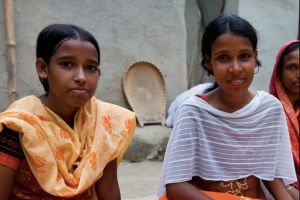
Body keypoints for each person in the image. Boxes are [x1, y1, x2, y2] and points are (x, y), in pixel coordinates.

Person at [158, 13, 297, 200]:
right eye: (224, 58)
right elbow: (175, 186)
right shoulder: (193, 112)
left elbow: (271, 177)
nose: (236, 68)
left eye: (244, 56)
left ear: (255, 57)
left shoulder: (269, 108)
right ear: (208, 61)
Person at [0, 24, 136, 200]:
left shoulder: (105, 121)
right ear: (43, 68)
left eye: (91, 68)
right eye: (67, 64)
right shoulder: (19, 125)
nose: (81, 77)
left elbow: (108, 190)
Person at [269, 40, 299, 199]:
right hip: (276, 185)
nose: (299, 74)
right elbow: (270, 169)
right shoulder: (268, 110)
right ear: (279, 72)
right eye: (292, 68)